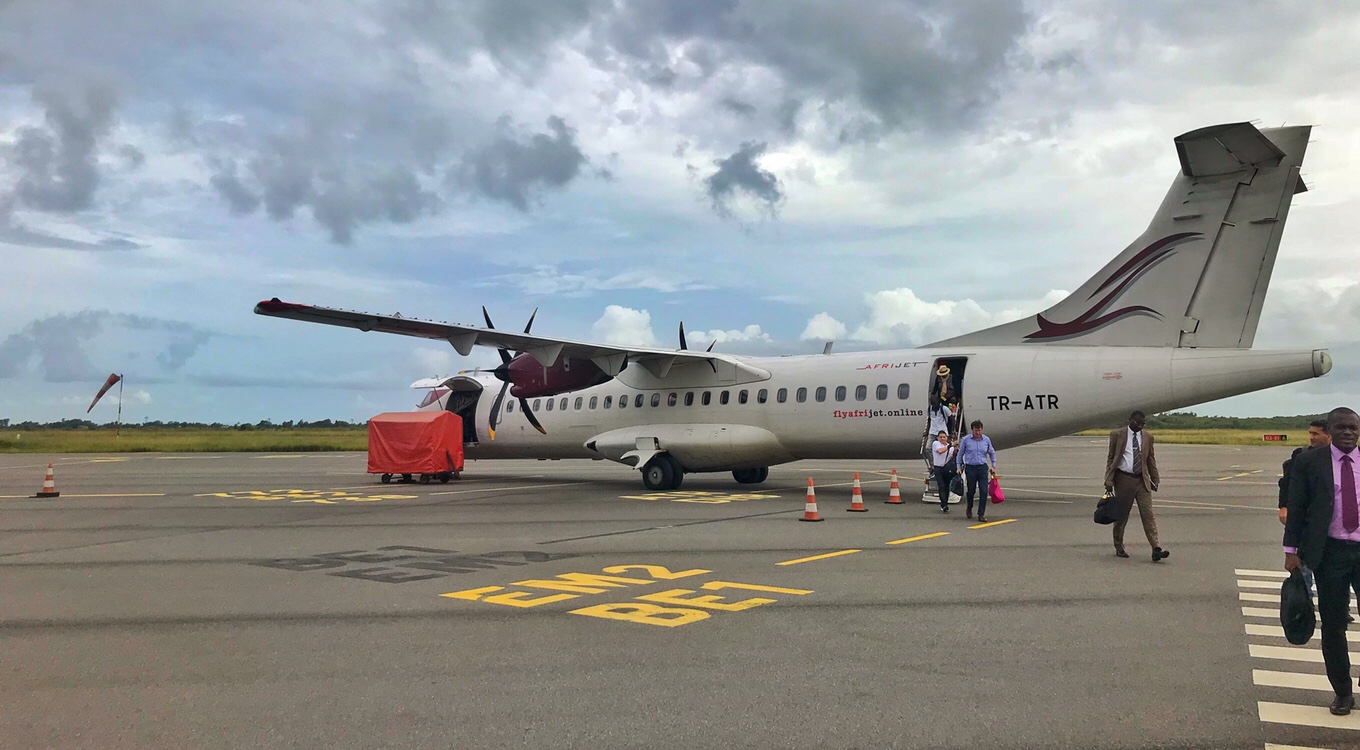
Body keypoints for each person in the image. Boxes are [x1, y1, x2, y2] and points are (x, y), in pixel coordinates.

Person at [1284, 406, 1360, 716]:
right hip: (1330, 553)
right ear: (1329, 430)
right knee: (1333, 625)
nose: (1348, 432)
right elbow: (1297, 506)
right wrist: (1291, 552)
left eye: (1353, 428)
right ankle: (1342, 692)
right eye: (1341, 427)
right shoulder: (1309, 462)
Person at [1103, 411, 1167, 562]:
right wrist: (1109, 480)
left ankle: (1156, 548)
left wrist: (1155, 478)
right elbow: (1111, 458)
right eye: (1137, 423)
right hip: (1124, 480)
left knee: (1148, 514)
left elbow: (1151, 459)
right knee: (1122, 516)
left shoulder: (1148, 437)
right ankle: (1118, 545)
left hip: (1142, 480)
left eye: (1142, 424)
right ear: (1130, 420)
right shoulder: (1117, 435)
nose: (1139, 426)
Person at [1280, 419, 1330, 599]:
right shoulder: (1301, 457)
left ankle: (1341, 605)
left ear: (1328, 436)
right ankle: (1304, 601)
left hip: (1330, 525)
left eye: (1315, 434)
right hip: (1305, 522)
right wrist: (1284, 506)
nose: (1311, 438)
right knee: (1304, 567)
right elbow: (1286, 484)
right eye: (1310, 433)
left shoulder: (1339, 459)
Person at [955, 420, 997, 521]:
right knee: (971, 491)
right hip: (971, 468)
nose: (977, 432)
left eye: (979, 430)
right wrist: (958, 467)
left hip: (982, 467)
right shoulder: (966, 440)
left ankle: (981, 514)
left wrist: (993, 465)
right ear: (972, 430)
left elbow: (991, 452)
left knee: (983, 491)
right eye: (975, 430)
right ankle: (969, 507)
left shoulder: (986, 439)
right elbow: (960, 454)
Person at [930, 430, 957, 513]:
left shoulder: (950, 447)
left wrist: (956, 448)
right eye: (940, 437)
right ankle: (943, 504)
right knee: (941, 485)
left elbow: (953, 455)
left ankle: (945, 503)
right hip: (938, 468)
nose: (942, 438)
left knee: (946, 486)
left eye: (944, 437)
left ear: (947, 438)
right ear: (938, 438)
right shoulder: (936, 444)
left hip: (946, 468)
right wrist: (950, 446)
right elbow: (940, 451)